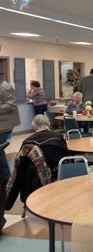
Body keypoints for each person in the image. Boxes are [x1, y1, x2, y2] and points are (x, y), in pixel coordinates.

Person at [0, 79, 20, 233]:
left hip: (4, 125)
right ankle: (6, 181)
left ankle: (6, 182)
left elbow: (11, 105)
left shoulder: (5, 87)